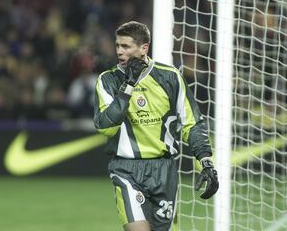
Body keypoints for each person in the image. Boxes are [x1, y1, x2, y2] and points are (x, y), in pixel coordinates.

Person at [93, 21, 218, 231]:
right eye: (117, 46)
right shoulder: (108, 80)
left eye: (126, 46)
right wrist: (128, 86)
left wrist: (205, 161)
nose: (120, 52)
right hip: (126, 170)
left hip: (164, 171)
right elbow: (105, 126)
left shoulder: (170, 77)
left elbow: (192, 122)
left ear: (144, 48)